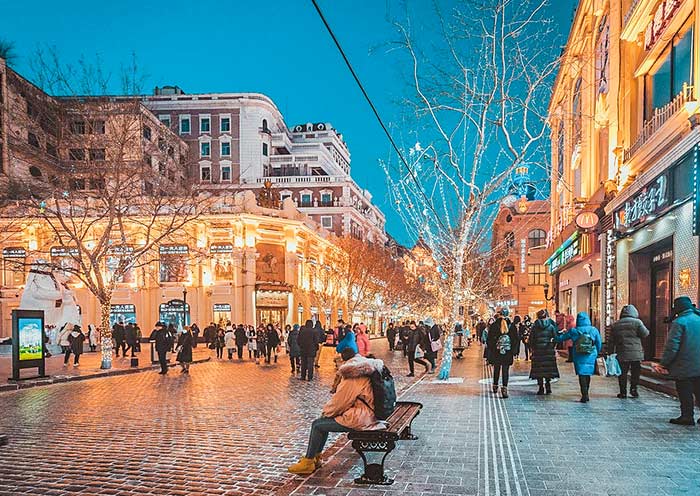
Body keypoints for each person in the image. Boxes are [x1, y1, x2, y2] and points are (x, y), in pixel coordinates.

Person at [288, 348, 386, 475]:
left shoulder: (353, 374)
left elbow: (341, 401)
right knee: (322, 424)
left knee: (317, 425)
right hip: (369, 414)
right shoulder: (365, 367)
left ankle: (308, 461)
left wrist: (326, 412)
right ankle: (315, 458)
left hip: (362, 418)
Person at [654, 297, 700, 425]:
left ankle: (687, 416)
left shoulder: (680, 322)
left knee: (685, 391)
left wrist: (664, 363)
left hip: (685, 364)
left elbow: (672, 346)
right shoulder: (698, 318)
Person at [555, 312, 602, 403]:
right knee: (588, 374)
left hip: (578, 354)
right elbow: (598, 343)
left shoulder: (574, 331)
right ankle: (586, 392)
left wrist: (554, 338)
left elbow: (562, 338)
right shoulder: (593, 330)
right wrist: (596, 352)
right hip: (590, 354)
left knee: (581, 374)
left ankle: (584, 394)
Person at [609, 305, 649, 399]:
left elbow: (611, 341)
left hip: (622, 353)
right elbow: (645, 334)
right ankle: (634, 389)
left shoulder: (616, 324)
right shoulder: (637, 322)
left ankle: (623, 392)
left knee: (622, 373)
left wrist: (610, 353)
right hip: (636, 354)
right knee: (635, 372)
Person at [487, 310, 518, 398]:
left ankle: (495, 385)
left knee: (496, 369)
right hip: (507, 352)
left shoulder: (494, 325)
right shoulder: (512, 326)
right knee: (505, 370)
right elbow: (516, 339)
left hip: (497, 351)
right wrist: (513, 351)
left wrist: (493, 349)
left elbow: (489, 340)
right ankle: (504, 388)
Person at [529, 309, 560, 395]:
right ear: (546, 316)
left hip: (538, 352)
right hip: (548, 351)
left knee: (539, 370)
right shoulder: (551, 327)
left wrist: (533, 348)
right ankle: (548, 385)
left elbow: (531, 340)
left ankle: (540, 387)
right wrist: (552, 347)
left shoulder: (534, 327)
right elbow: (555, 338)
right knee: (547, 369)